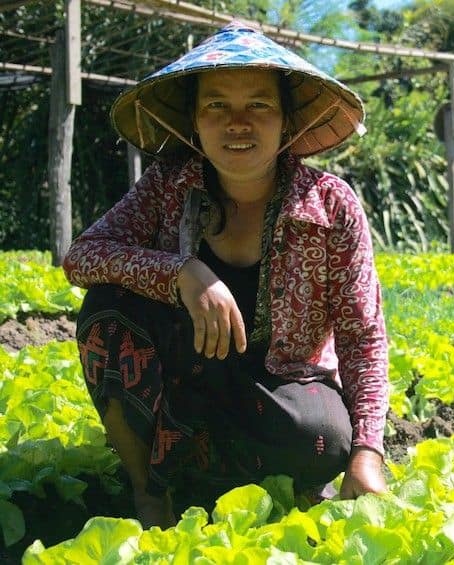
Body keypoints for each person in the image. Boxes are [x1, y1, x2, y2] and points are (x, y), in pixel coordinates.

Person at [62, 21, 389, 529]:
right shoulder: (168, 185)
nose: (238, 122)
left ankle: (210, 470)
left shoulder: (330, 204)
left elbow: (362, 335)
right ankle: (150, 492)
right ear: (194, 121)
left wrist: (368, 451)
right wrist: (182, 273)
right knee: (107, 309)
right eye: (216, 105)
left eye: (259, 104)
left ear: (286, 122)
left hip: (281, 387)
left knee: (325, 439)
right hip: (187, 377)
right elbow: (83, 256)